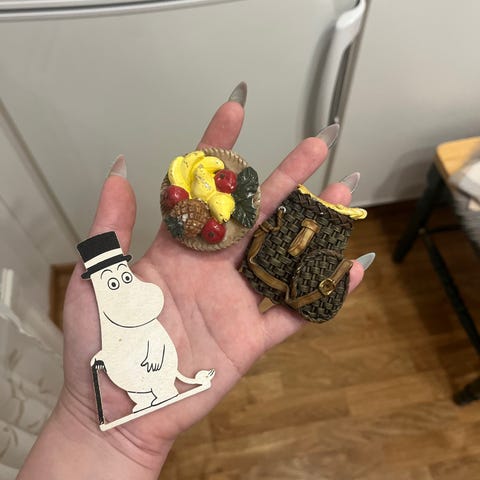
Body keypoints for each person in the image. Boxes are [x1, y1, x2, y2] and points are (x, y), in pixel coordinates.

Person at [17, 84, 373, 479]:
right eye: (113, 279)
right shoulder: (115, 316)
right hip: (131, 382)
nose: (121, 282)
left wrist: (102, 432)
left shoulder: (144, 297)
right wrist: (92, 422)